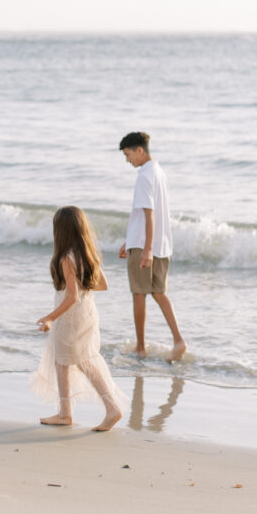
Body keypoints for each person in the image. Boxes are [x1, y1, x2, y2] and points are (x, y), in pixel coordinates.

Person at [31, 206, 126, 431]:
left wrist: (50, 318)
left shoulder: (66, 258)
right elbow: (102, 285)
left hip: (70, 317)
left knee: (69, 361)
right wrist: (82, 286)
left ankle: (93, 410)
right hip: (88, 314)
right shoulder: (87, 253)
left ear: (61, 232)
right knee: (79, 361)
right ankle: (70, 412)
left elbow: (71, 297)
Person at [117, 131, 187, 362]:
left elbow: (149, 214)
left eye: (128, 155)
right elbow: (150, 214)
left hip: (146, 245)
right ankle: (178, 341)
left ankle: (140, 348)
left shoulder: (144, 176)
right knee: (159, 292)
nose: (128, 160)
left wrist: (144, 249)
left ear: (140, 150)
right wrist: (130, 240)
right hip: (161, 244)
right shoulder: (159, 172)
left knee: (139, 294)